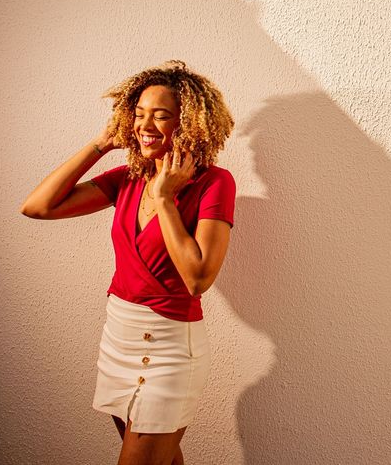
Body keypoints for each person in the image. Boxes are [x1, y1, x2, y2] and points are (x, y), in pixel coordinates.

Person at [21, 61, 236, 465]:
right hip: (119, 337)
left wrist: (166, 198)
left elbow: (198, 279)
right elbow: (37, 207)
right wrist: (100, 145)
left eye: (161, 115)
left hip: (169, 348)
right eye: (138, 114)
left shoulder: (214, 183)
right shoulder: (127, 178)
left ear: (189, 123)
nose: (144, 125)